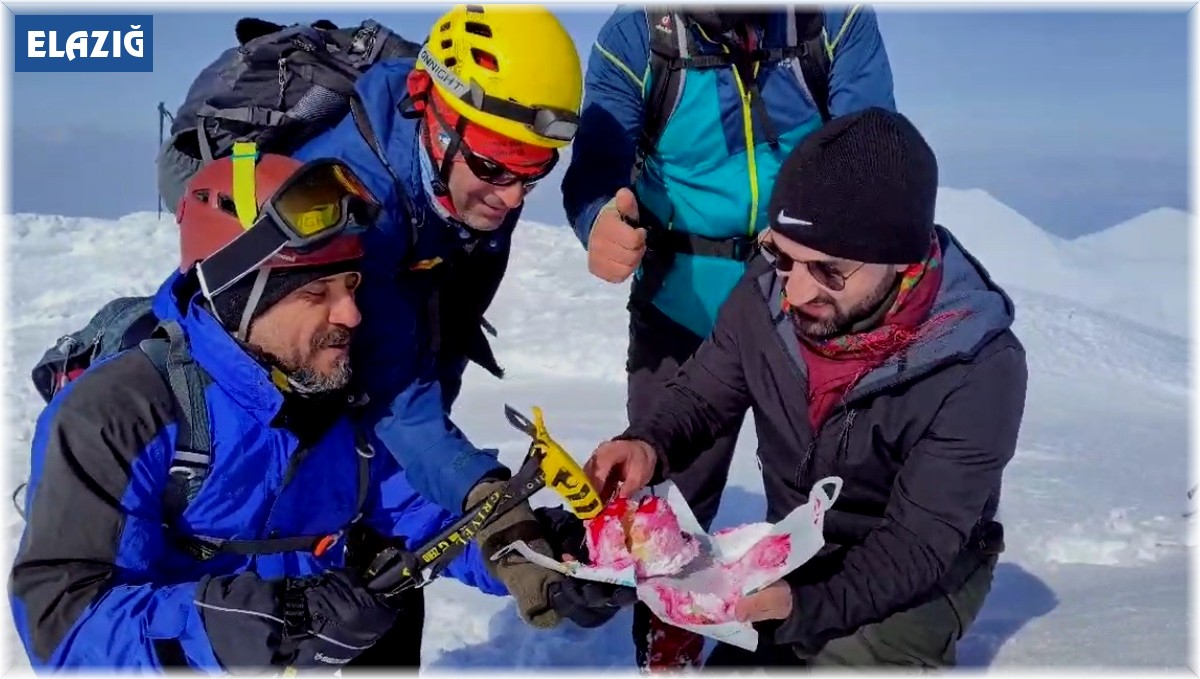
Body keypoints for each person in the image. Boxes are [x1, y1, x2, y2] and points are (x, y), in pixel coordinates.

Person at [8, 153, 624, 671]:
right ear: (239, 297)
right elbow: (63, 624)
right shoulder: (120, 414)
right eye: (314, 293)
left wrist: (531, 547)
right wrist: (263, 622)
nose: (351, 317)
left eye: (351, 287)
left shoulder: (337, 393)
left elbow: (416, 508)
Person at [583, 107, 1028, 669]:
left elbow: (917, 546)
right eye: (781, 255)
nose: (794, 292)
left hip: (916, 580)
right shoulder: (769, 290)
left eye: (829, 271)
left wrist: (801, 607)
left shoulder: (977, 365)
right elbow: (703, 392)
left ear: (901, 258)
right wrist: (647, 443)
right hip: (797, 548)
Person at [560, 5, 896, 669]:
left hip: (804, 307)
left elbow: (871, 152)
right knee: (669, 501)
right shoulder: (640, 37)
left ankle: (796, 645)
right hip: (682, 307)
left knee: (819, 498)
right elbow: (598, 156)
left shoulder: (832, 22)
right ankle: (668, 645)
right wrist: (597, 218)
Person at [291, 4, 586, 550]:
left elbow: (447, 322)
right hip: (300, 461)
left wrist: (448, 470)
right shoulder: (350, 206)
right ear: (431, 111)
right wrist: (479, 490)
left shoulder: (475, 180)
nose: (514, 197)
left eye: (537, 169)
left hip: (400, 446)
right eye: (496, 166)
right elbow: (391, 385)